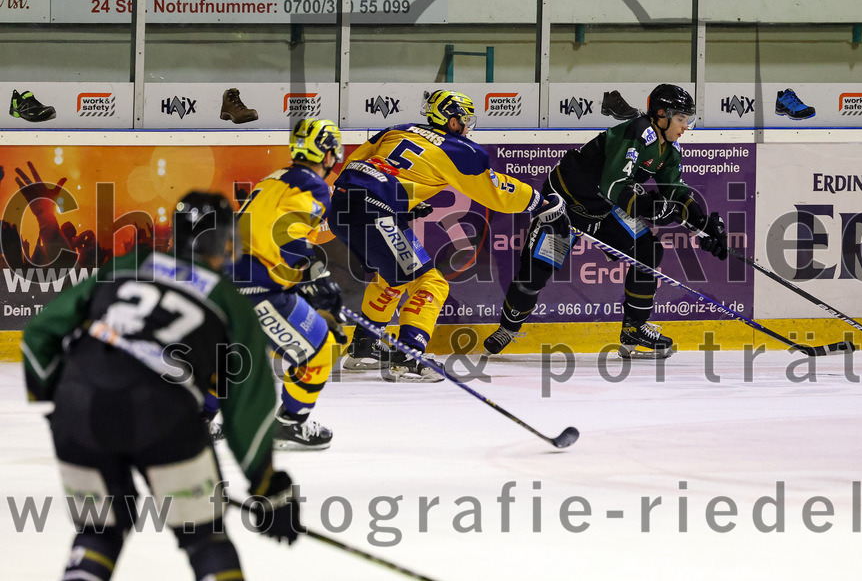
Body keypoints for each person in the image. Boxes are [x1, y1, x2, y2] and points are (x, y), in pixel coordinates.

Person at [21, 191, 301, 581]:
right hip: (163, 415)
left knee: (98, 532)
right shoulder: (228, 299)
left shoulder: (127, 265)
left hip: (79, 409)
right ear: (221, 241)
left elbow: (38, 333)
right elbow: (247, 403)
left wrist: (61, 395)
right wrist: (266, 482)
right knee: (205, 539)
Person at [329, 89, 566, 382]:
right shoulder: (459, 150)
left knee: (396, 275)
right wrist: (541, 203)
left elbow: (361, 165)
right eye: (465, 120)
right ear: (452, 122)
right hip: (376, 212)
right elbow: (494, 191)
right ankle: (408, 355)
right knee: (430, 281)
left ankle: (364, 345)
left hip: (341, 205)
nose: (468, 127)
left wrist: (401, 201)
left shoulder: (397, 130)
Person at [483, 84, 729, 359]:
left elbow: (675, 193)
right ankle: (508, 326)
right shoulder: (638, 132)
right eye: (682, 119)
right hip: (564, 207)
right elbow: (613, 185)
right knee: (534, 275)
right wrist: (651, 206)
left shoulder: (669, 149)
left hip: (603, 210)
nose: (686, 126)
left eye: (688, 120)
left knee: (647, 250)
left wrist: (705, 225)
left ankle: (634, 328)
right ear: (662, 114)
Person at [228, 118, 347, 450]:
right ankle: (289, 424)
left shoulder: (274, 179)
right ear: (326, 153)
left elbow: (265, 236)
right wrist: (316, 278)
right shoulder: (313, 185)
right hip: (256, 288)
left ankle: (203, 419)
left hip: (237, 280)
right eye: (334, 150)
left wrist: (303, 283)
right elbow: (289, 237)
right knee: (319, 352)